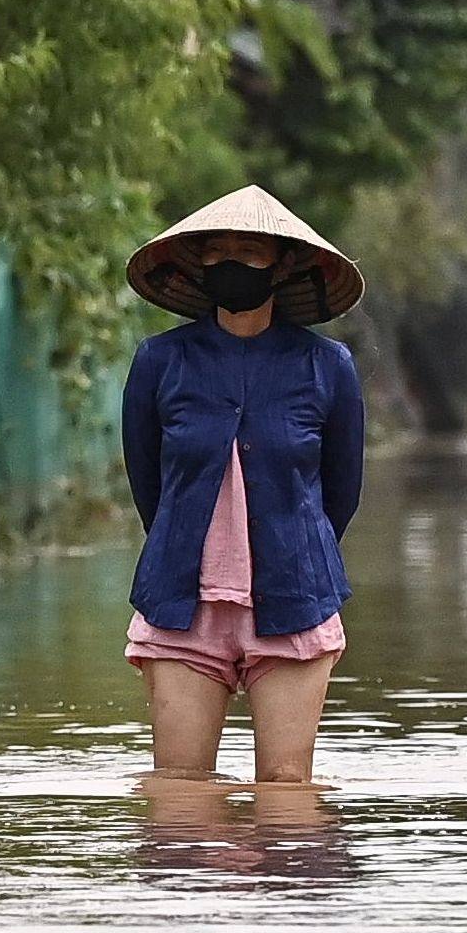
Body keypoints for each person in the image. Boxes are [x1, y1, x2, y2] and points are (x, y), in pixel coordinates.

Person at [122, 186, 366, 783]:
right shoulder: (159, 361)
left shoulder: (327, 365)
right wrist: (188, 546)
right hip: (183, 606)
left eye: (250, 252)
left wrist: (291, 546)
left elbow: (342, 491)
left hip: (295, 598)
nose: (232, 263)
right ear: (197, 266)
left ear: (281, 266)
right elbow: (148, 483)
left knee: (286, 799)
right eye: (218, 253)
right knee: (178, 801)